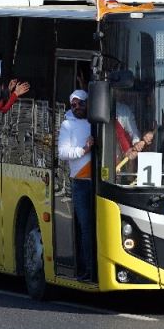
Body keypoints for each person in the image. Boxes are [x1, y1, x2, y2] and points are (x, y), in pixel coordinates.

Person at [58, 90, 95, 281]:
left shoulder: (97, 121)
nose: (77, 107)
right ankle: (88, 269)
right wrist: (83, 150)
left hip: (101, 182)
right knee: (86, 226)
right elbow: (62, 152)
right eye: (73, 105)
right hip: (81, 182)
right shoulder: (67, 124)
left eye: (80, 103)